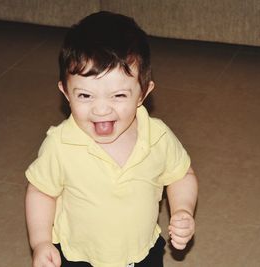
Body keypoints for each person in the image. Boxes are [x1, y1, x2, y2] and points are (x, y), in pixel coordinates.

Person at [25, 11, 198, 267]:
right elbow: (41, 192)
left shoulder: (157, 136)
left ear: (143, 94)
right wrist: (40, 241)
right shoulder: (60, 144)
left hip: (142, 252)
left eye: (118, 96)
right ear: (65, 92)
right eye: (85, 96)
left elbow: (181, 175)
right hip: (78, 256)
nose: (101, 109)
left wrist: (183, 209)